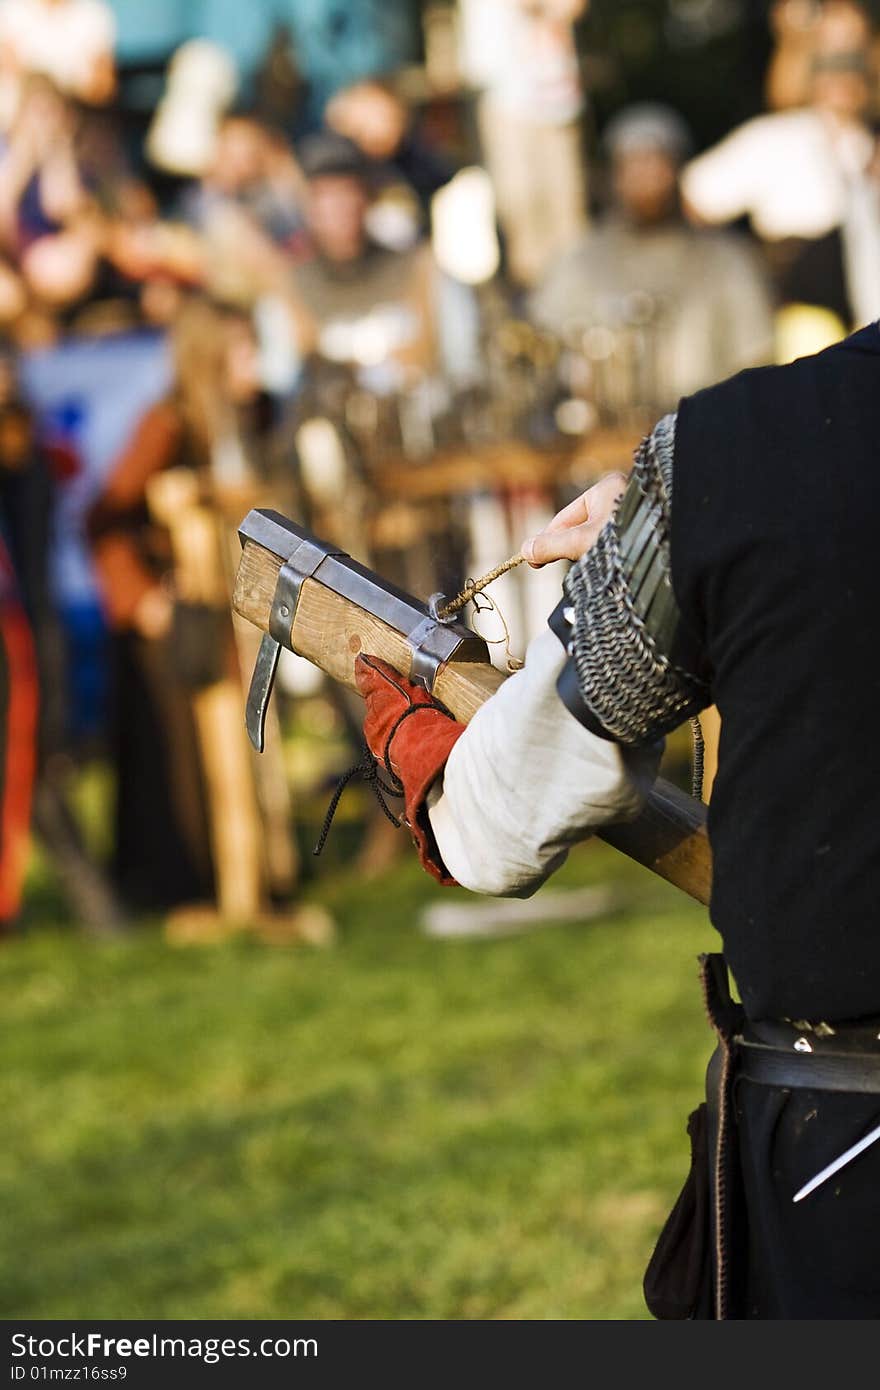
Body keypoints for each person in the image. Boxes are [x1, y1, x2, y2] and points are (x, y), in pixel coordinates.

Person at [353, 316, 880, 1317]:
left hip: (843, 1155)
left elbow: (500, 825)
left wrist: (440, 767)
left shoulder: (741, 449)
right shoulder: (727, 461)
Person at [529, 103, 775, 408]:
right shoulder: (578, 261)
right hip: (606, 439)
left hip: (703, 429)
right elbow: (545, 351)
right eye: (633, 165)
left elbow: (756, 361)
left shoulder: (727, 261)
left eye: (656, 164)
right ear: (613, 176)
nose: (646, 179)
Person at [682, 0, 880, 343]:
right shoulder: (777, 141)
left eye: (853, 66)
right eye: (831, 66)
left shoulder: (867, 148)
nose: (843, 80)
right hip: (805, 335)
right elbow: (693, 198)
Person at [458, 0, 590, 288]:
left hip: (554, 92)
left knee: (567, 214)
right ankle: (533, 308)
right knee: (520, 210)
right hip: (504, 94)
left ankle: (573, 299)